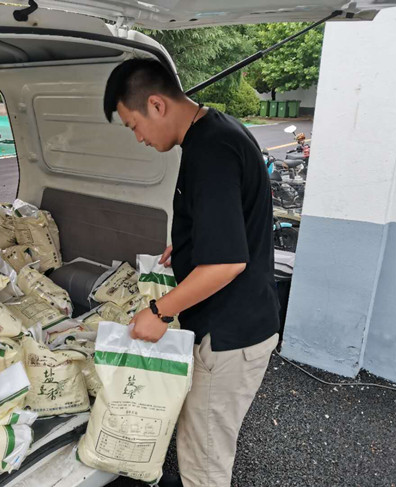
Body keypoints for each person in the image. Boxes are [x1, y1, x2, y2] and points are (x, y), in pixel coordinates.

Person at [103, 58, 280, 487]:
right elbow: (232, 221)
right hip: (242, 321)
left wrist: (159, 312)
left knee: (205, 462)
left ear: (156, 104)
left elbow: (227, 262)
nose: (138, 138)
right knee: (201, 442)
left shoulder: (210, 151)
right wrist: (192, 242)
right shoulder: (216, 129)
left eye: (134, 125)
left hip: (229, 336)